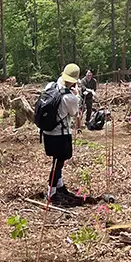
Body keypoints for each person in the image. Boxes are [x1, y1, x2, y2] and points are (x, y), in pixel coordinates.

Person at [41, 63, 81, 204]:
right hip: (60, 135)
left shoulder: (51, 86)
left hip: (47, 133)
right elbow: (75, 112)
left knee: (57, 160)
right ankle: (51, 193)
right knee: (59, 162)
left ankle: (59, 185)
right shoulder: (69, 97)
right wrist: (77, 95)